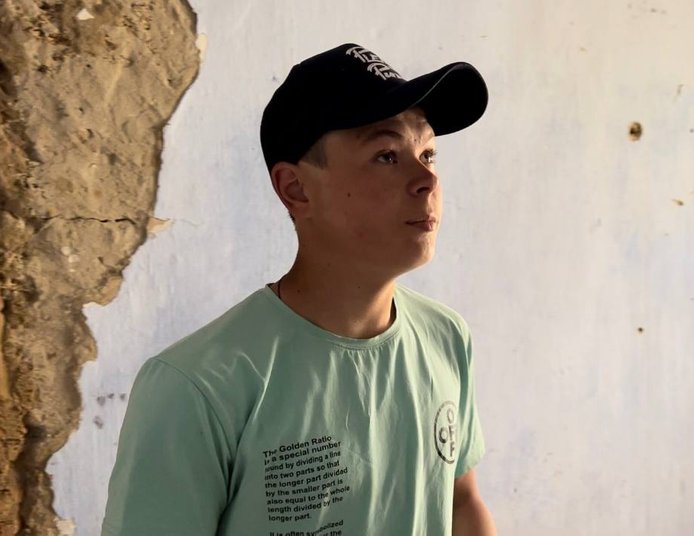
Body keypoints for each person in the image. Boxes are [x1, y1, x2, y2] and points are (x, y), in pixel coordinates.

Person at [102, 43, 496, 536]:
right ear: (295, 188)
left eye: (428, 153)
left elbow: (460, 502)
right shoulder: (196, 387)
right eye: (386, 155)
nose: (426, 179)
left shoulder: (445, 337)